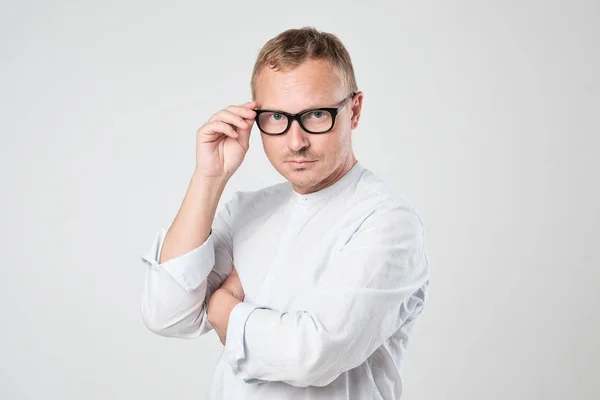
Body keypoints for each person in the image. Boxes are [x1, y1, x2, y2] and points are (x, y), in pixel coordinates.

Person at [140, 26, 430, 399]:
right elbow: (166, 314)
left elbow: (313, 356)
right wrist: (209, 178)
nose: (296, 141)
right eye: (277, 118)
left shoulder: (387, 222)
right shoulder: (247, 209)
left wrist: (223, 309)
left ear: (353, 110)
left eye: (316, 115)